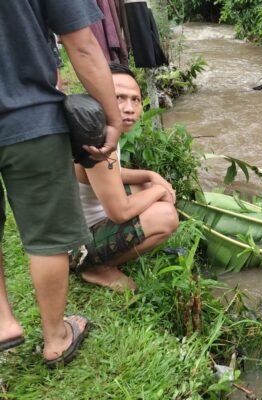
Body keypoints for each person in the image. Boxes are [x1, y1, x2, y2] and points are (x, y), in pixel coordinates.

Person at [0, 0, 122, 367]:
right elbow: (82, 44)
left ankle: (3, 321)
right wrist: (111, 117)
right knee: (47, 237)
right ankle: (56, 337)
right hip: (31, 119)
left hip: (31, 118)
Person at [71, 63, 179, 293]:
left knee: (146, 184)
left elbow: (110, 175)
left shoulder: (103, 127)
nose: (129, 108)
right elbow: (119, 212)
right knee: (166, 215)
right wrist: (160, 191)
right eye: (119, 97)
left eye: (135, 100)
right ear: (99, 98)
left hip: (82, 224)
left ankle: (104, 255)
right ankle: (96, 266)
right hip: (74, 245)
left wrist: (152, 176)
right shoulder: (98, 140)